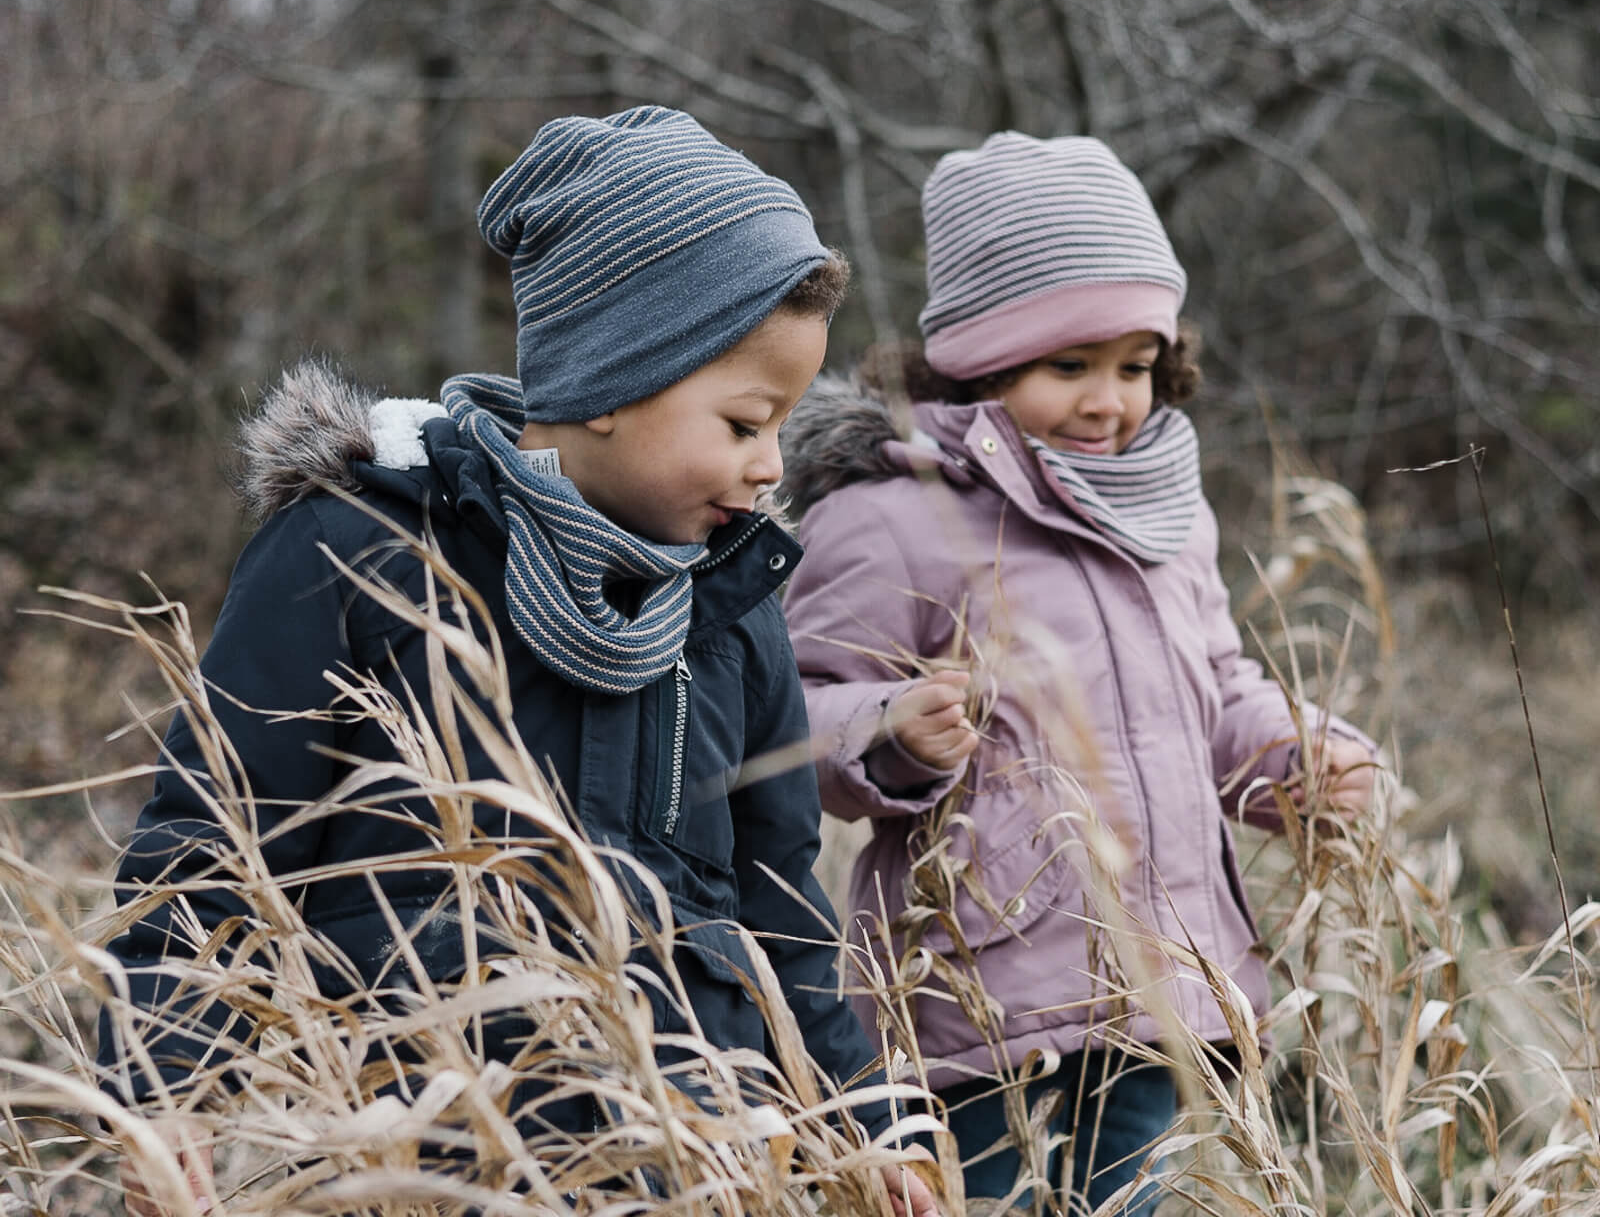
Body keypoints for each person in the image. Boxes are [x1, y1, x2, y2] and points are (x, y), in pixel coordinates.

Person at [100, 106, 941, 1217]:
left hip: (680, 1159)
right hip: (414, 1156)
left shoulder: (732, 612)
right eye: (743, 422)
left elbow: (780, 909)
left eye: (783, 425)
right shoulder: (363, 551)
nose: (769, 465)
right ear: (610, 382)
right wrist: (158, 1089)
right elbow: (212, 839)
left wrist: (864, 1117)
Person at [779, 131, 1378, 1213]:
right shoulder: (894, 517)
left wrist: (1291, 759)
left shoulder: (1164, 513)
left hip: (1163, 977)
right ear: (977, 360)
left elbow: (1211, 691)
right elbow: (789, 714)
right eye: (1070, 367)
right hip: (982, 997)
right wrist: (890, 730)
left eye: (1135, 366)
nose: (1109, 400)